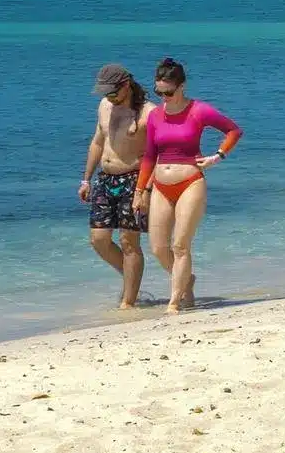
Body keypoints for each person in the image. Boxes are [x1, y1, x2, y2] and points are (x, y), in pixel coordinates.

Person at [133, 57, 242, 314]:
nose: (164, 97)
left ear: (182, 86)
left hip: (190, 183)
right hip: (160, 186)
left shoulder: (199, 110)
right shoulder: (155, 116)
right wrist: (140, 191)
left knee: (180, 246)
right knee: (158, 248)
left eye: (168, 92)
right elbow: (149, 156)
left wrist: (217, 156)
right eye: (159, 92)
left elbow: (233, 130)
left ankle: (174, 303)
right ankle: (186, 281)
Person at [79, 63, 157, 309]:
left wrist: (144, 191)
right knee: (99, 239)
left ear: (126, 85)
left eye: (112, 92)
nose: (109, 97)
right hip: (105, 178)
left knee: (128, 242)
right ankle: (131, 278)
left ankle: (128, 303)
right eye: (105, 92)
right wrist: (86, 179)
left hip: (134, 179)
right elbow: (97, 142)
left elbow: (156, 154)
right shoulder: (104, 105)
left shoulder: (148, 113)